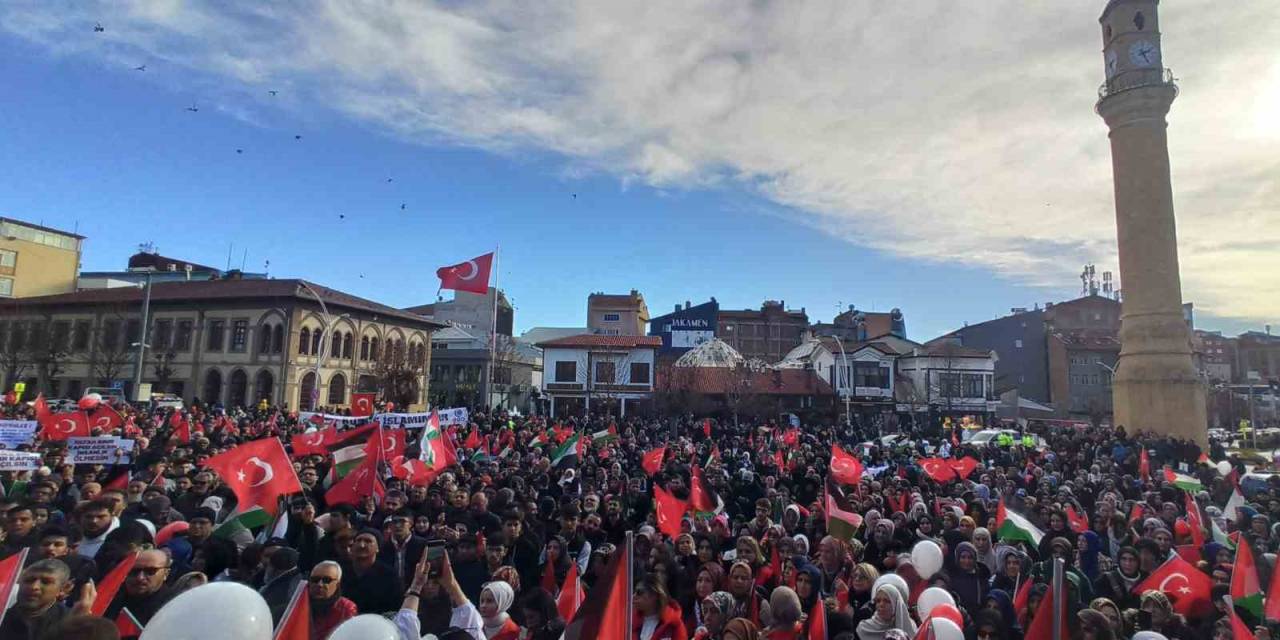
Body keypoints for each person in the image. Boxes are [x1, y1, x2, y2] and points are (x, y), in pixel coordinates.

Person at [0, 559, 91, 640]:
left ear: (63, 589)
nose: (34, 587)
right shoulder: (3, 615)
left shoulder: (70, 622)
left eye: (46, 582)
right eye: (29, 580)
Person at [102, 549, 175, 627]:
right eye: (134, 571)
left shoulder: (170, 608)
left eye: (150, 571)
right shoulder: (111, 595)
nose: (140, 578)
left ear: (166, 574)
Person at [340, 528, 403, 614]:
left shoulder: (389, 576)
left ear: (377, 548)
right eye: (358, 540)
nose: (362, 545)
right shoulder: (340, 572)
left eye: (368, 541)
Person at [308, 561, 358, 640]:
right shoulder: (300, 602)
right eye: (315, 580)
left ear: (337, 585)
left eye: (327, 580)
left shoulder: (346, 609)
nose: (320, 584)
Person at [633, 574, 687, 640]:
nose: (634, 596)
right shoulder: (629, 622)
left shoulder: (674, 624)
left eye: (639, 592)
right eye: (634, 592)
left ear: (654, 595)